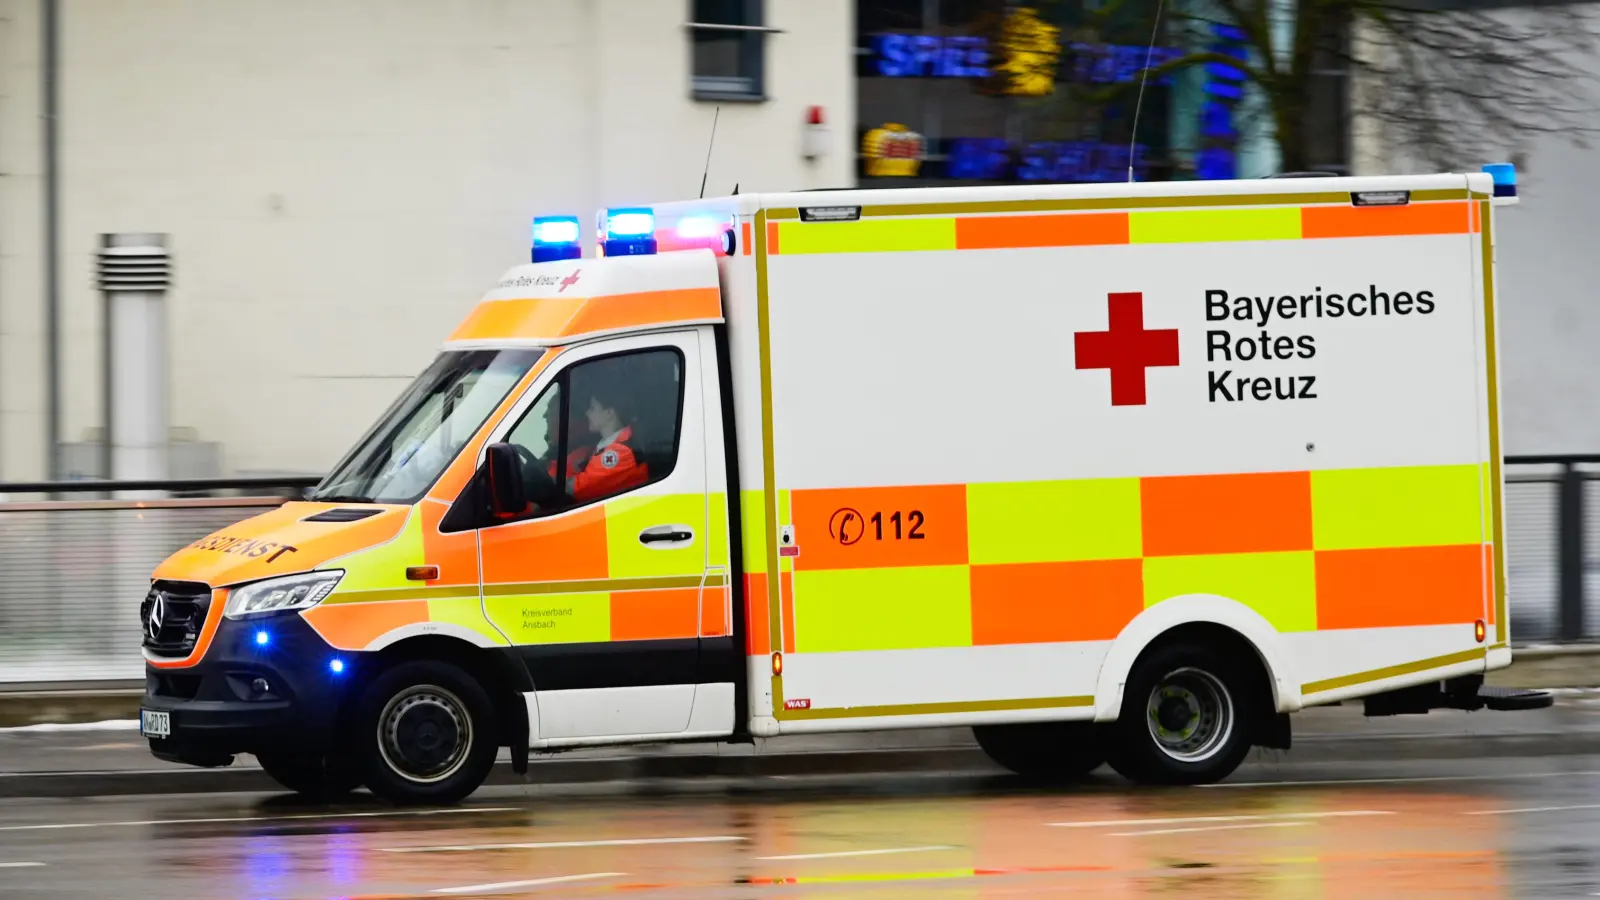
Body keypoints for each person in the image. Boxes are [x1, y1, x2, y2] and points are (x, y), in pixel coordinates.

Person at [564, 383, 649, 503]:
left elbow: (579, 489)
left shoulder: (622, 451)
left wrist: (553, 485)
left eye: (592, 408)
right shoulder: (609, 445)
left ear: (609, 413)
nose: (587, 413)